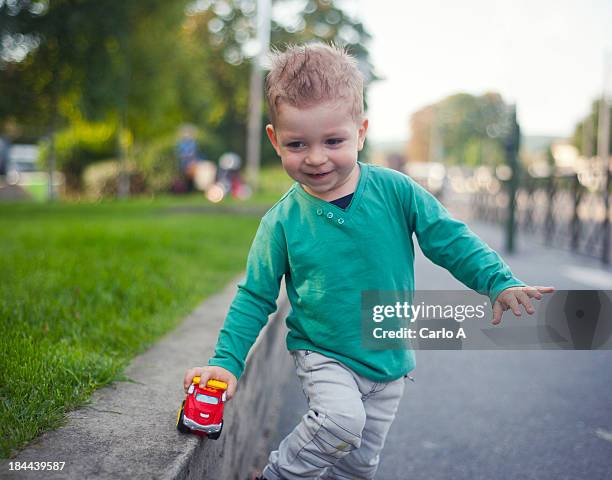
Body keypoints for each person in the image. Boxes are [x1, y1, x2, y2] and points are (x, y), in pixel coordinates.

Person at [183, 44, 553, 480]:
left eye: (333, 141)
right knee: (340, 422)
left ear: (360, 132)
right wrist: (226, 362)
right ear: (274, 139)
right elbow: (255, 297)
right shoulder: (281, 221)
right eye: (297, 144)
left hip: (389, 361)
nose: (316, 157)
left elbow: (450, 239)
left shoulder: (396, 191)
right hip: (324, 354)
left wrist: (498, 281)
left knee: (357, 468)